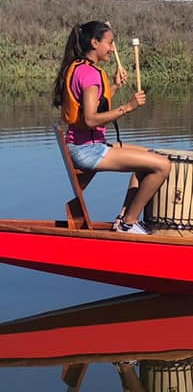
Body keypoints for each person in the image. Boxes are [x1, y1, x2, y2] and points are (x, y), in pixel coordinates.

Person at [52, 21, 170, 234]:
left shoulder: (79, 67)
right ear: (94, 43)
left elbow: (93, 107)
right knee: (162, 166)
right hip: (88, 150)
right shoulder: (90, 75)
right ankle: (129, 223)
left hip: (84, 144)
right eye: (110, 42)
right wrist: (129, 107)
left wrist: (114, 86)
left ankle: (123, 220)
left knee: (151, 156)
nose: (113, 48)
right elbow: (90, 119)